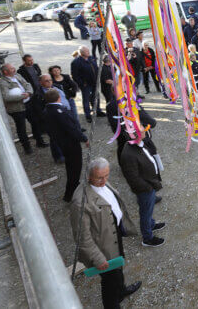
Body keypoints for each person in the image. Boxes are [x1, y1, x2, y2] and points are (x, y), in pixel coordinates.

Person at [70, 158, 142, 309]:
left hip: (113, 236)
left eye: (106, 176)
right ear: (89, 176)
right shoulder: (80, 202)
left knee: (119, 267)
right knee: (109, 283)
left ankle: (121, 291)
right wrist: (98, 258)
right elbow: (82, 238)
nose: (104, 180)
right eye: (99, 178)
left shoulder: (102, 182)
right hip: (102, 250)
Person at [119, 136, 166, 247]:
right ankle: (147, 238)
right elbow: (133, 179)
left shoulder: (139, 143)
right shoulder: (128, 154)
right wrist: (148, 188)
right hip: (145, 189)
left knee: (148, 210)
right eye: (142, 128)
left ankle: (151, 224)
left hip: (149, 185)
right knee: (145, 212)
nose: (145, 128)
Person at [42, 89, 87, 200]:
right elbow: (71, 128)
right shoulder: (58, 111)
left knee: (72, 167)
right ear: (59, 98)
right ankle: (71, 194)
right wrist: (84, 138)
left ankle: (72, 190)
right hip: (70, 144)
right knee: (75, 168)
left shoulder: (47, 109)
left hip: (62, 143)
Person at [0, 63, 37, 154]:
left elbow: (27, 84)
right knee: (21, 128)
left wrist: (29, 93)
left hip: (27, 103)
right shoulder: (3, 83)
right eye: (12, 68)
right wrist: (22, 97)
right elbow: (6, 97)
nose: (14, 69)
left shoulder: (17, 75)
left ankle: (39, 140)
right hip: (17, 109)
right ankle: (27, 147)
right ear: (5, 72)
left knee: (35, 121)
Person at [71, 46, 104, 122]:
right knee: (86, 99)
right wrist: (82, 84)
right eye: (86, 51)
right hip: (86, 85)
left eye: (88, 51)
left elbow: (96, 68)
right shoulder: (76, 62)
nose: (88, 52)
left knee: (96, 97)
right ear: (81, 53)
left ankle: (97, 111)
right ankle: (88, 115)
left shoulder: (91, 58)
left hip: (94, 82)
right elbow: (75, 76)